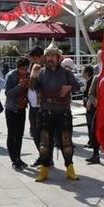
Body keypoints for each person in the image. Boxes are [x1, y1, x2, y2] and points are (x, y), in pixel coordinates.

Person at [31, 43, 82, 182]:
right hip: (45, 112)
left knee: (66, 143)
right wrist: (33, 76)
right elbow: (32, 87)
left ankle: (70, 168)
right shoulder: (40, 72)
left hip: (63, 113)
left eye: (53, 55)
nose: (50, 58)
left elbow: (78, 86)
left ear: (58, 57)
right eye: (48, 56)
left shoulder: (66, 73)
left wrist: (69, 86)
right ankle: (44, 170)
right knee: (45, 143)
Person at [4, 57, 31, 169]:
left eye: (26, 69)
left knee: (19, 135)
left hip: (22, 108)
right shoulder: (11, 76)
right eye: (22, 69)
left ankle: (18, 158)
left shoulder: (29, 75)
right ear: (18, 68)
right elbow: (8, 93)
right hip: (12, 108)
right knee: (12, 134)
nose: (24, 71)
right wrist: (19, 86)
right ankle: (13, 159)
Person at [27, 46, 44, 166]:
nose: (32, 61)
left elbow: (34, 85)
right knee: (35, 132)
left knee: (41, 133)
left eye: (33, 58)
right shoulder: (33, 66)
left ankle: (44, 157)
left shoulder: (43, 69)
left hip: (41, 106)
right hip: (33, 105)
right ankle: (43, 156)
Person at [82, 65, 101, 164]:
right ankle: (96, 154)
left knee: (100, 131)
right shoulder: (97, 78)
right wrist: (92, 100)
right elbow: (91, 93)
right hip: (95, 108)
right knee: (93, 130)